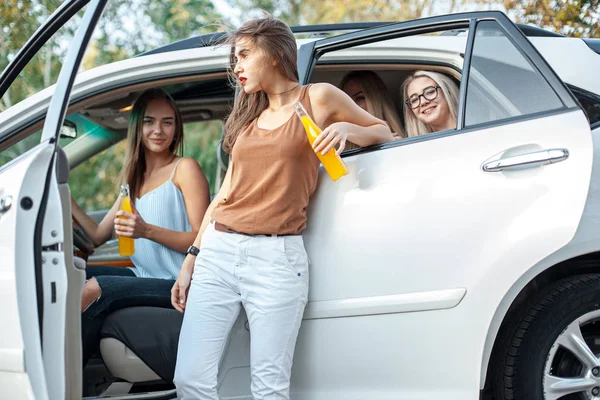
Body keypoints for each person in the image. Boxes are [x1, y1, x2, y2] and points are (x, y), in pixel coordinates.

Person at [172, 16, 393, 400]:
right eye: (233, 60)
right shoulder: (247, 117)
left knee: (269, 388)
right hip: (219, 253)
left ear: (274, 54)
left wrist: (347, 130)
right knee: (190, 379)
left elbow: (383, 131)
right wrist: (192, 257)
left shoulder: (317, 97)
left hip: (276, 259)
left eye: (243, 55)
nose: (236, 67)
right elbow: (225, 192)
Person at [71, 88, 210, 366]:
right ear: (138, 127)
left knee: (92, 289)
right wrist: (63, 195)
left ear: (176, 128)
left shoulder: (184, 169)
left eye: (167, 122)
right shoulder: (133, 181)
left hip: (175, 282)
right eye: (149, 121)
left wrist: (145, 231)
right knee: (69, 275)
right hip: (143, 273)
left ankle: (70, 377)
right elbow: (97, 236)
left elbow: (202, 238)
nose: (158, 130)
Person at [340, 70, 405, 147]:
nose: (352, 105)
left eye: (360, 98)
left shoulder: (396, 141)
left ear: (376, 101)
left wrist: (346, 129)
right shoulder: (341, 144)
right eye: (346, 101)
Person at [401, 70, 459, 137]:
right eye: (414, 100)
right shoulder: (418, 146)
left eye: (430, 92)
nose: (423, 102)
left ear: (447, 92)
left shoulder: (473, 126)